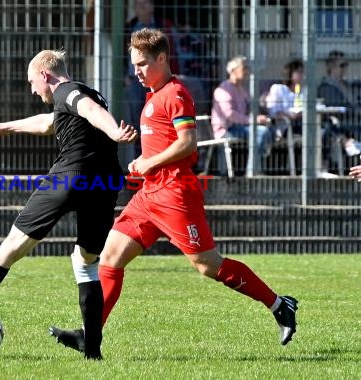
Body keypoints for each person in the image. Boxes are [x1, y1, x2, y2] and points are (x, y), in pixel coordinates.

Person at [49, 28, 298, 355]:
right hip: (149, 195)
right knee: (109, 257)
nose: (136, 71)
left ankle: (280, 304)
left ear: (162, 58)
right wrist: (145, 161)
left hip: (176, 194)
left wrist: (149, 163)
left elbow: (187, 143)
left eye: (142, 64)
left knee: (207, 265)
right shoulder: (154, 94)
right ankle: (89, 334)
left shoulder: (176, 93)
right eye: (134, 65)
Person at [0, 49, 137, 360]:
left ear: (45, 75)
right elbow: (51, 123)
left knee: (11, 247)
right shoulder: (85, 92)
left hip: (70, 177)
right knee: (86, 263)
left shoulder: (69, 91)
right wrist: (5, 127)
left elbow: (87, 110)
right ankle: (93, 352)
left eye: (33, 82)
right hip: (105, 183)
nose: (33, 89)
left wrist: (114, 130)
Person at [121, 0, 180, 169]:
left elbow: (172, 53)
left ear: (153, 5)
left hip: (168, 178)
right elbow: (120, 53)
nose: (141, 6)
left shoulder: (163, 25)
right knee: (140, 121)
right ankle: (141, 155)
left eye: (145, 3)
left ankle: (154, 159)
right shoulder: (128, 27)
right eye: (137, 4)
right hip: (133, 84)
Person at [211, 55, 274, 176]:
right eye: (244, 67)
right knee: (260, 132)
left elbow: (250, 104)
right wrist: (252, 120)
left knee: (267, 129)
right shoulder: (223, 89)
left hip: (239, 127)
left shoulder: (240, 88)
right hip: (226, 129)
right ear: (233, 70)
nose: (247, 71)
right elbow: (230, 114)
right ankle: (252, 171)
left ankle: (257, 165)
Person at [318, 50, 361, 158]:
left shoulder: (348, 85)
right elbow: (334, 108)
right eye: (342, 65)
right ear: (331, 67)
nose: (345, 69)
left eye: (346, 65)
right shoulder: (326, 87)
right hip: (343, 123)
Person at [265, 59, 304, 140]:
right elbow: (273, 111)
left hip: (302, 122)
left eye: (302, 72)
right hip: (286, 126)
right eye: (299, 72)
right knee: (314, 131)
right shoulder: (278, 89)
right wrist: (290, 115)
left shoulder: (302, 92)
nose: (302, 75)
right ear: (290, 73)